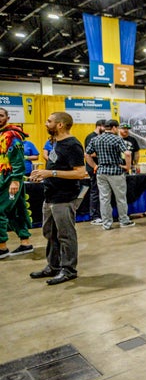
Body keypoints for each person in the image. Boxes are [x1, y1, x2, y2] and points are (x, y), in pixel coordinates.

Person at [28, 112, 86, 285]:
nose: (46, 123)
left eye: (49, 121)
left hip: (64, 197)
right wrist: (42, 175)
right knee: (50, 233)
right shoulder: (54, 143)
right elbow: (56, 166)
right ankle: (53, 266)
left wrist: (50, 172)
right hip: (50, 195)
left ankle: (69, 270)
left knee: (66, 235)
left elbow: (80, 173)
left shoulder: (72, 144)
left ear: (60, 124)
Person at [85, 120, 135, 230]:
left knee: (104, 199)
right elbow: (127, 153)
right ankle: (124, 220)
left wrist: (94, 166)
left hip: (101, 171)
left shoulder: (95, 139)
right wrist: (127, 166)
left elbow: (87, 154)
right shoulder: (117, 139)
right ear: (113, 128)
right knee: (120, 198)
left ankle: (106, 223)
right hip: (115, 172)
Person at [0, 107, 34, 258]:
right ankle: (25, 242)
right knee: (17, 209)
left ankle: (2, 247)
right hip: (4, 176)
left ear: (7, 118)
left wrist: (15, 180)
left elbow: (18, 160)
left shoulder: (11, 136)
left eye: (0, 115)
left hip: (10, 177)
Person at [84, 119, 105, 225]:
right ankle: (94, 216)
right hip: (93, 167)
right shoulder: (91, 137)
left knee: (101, 191)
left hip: (100, 167)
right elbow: (89, 153)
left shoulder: (101, 137)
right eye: (105, 127)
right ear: (99, 126)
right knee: (95, 191)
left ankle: (101, 214)